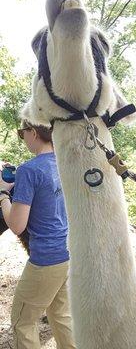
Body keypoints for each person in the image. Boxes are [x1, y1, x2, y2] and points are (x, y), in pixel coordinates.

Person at [0, 120, 75, 349]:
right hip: (68, 252)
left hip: (45, 259)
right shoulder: (64, 163)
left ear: (33, 133)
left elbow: (16, 225)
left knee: (23, 322)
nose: (23, 139)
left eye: (22, 133)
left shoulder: (29, 170)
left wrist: (3, 192)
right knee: (61, 315)